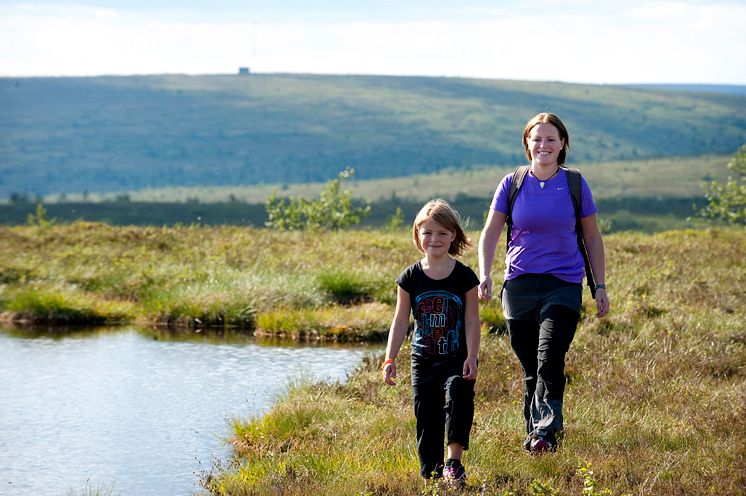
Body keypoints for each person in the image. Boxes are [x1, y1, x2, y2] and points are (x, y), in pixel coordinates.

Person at [477, 112, 610, 454]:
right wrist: (485, 274)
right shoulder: (512, 183)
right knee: (530, 365)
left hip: (563, 284)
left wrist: (600, 286)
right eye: (537, 139)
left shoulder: (575, 184)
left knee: (549, 357)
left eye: (551, 139)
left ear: (563, 144)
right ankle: (534, 433)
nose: (544, 145)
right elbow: (490, 232)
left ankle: (546, 434)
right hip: (519, 285)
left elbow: (593, 238)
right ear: (527, 144)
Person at [382, 199, 481, 486]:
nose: (434, 239)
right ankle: (432, 478)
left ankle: (454, 463)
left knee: (459, 397)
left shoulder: (465, 277)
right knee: (426, 416)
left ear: (453, 236)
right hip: (422, 361)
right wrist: (390, 358)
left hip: (457, 358)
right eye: (427, 233)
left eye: (441, 233)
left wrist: (472, 356)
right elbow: (400, 321)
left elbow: (473, 320)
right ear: (417, 236)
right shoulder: (409, 278)